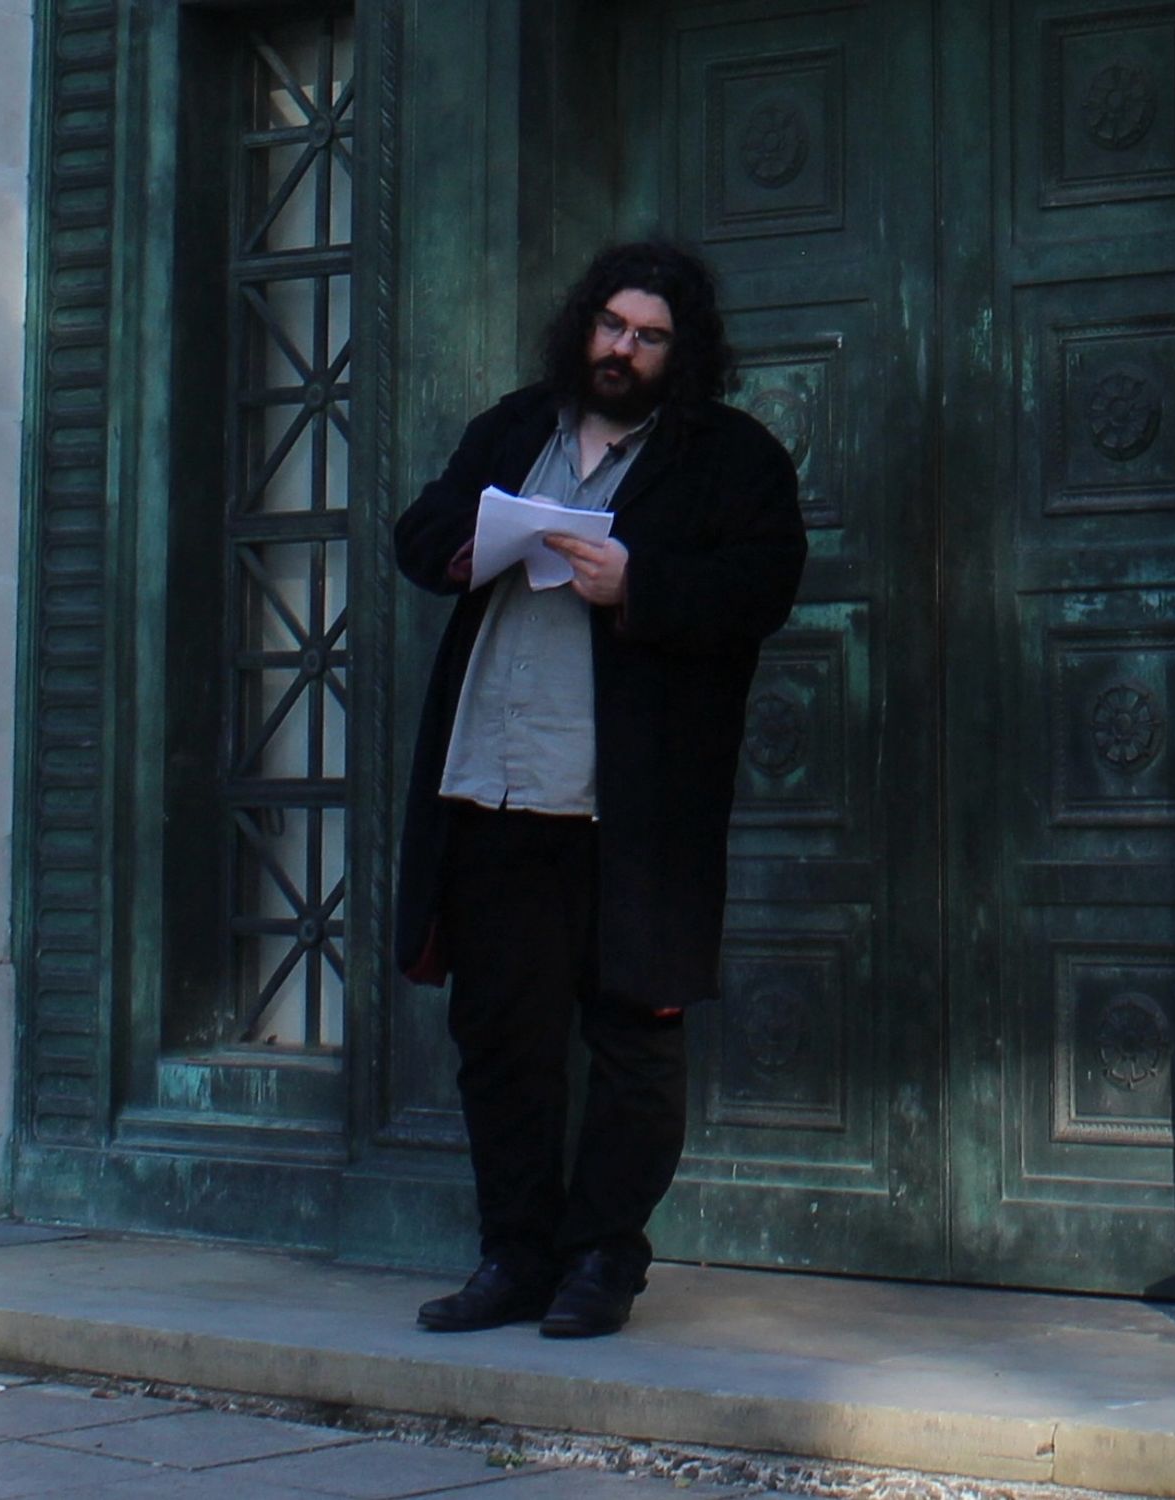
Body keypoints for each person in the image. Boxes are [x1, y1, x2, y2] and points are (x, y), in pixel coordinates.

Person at [391, 242, 805, 1338]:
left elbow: (764, 585)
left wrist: (641, 582)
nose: (622, 349)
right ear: (584, 326)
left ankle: (601, 1263)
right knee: (501, 1035)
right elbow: (420, 529)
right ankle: (514, 1256)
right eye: (611, 326)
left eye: (649, 334)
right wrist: (472, 543)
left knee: (632, 1037)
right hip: (491, 785)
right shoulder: (514, 426)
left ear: (684, 349)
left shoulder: (730, 457)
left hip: (629, 807)